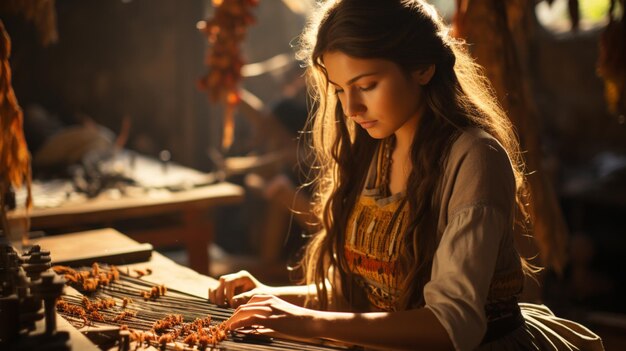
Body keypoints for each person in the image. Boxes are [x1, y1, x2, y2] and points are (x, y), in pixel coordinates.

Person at [208, 1, 605, 350]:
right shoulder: (375, 150)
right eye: (341, 90)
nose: (352, 109)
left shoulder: (474, 158)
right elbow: (368, 298)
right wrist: (271, 297)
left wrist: (301, 320)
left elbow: (452, 327)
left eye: (366, 85)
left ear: (422, 68)